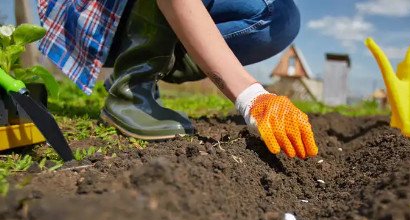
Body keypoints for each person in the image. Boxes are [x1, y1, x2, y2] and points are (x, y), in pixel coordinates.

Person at [38, 0, 318, 159]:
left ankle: (158, 58)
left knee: (280, 17)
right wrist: (251, 97)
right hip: (95, 16)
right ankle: (132, 87)